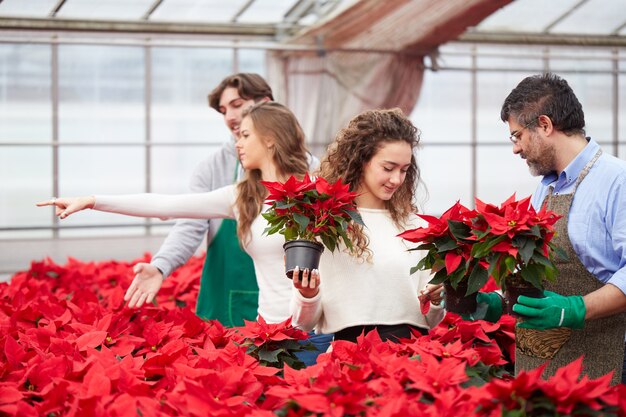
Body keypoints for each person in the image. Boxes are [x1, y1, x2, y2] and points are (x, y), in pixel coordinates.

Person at [38, 102, 331, 365]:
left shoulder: (318, 191)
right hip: (268, 339)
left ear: (270, 139)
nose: (237, 144)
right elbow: (166, 205)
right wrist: (93, 201)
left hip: (314, 337)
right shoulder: (244, 197)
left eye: (245, 135)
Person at [128, 73, 317, 328]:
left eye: (238, 105)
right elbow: (188, 224)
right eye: (223, 110)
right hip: (225, 288)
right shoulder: (212, 169)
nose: (229, 117)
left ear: (266, 103)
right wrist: (161, 266)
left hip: (289, 299)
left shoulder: (311, 170)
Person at [472, 73, 626, 385]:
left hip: (602, 366)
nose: (515, 149)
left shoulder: (616, 181)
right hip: (545, 366)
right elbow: (538, 275)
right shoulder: (546, 189)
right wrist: (498, 303)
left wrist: (575, 308)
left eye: (517, 136)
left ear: (544, 125)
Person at [289, 108, 446, 343]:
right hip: (350, 357)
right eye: (388, 168)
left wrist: (435, 301)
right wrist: (308, 294)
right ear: (361, 160)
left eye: (404, 170)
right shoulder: (326, 224)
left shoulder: (416, 226)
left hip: (409, 356)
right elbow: (302, 323)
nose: (397, 179)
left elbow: (432, 321)